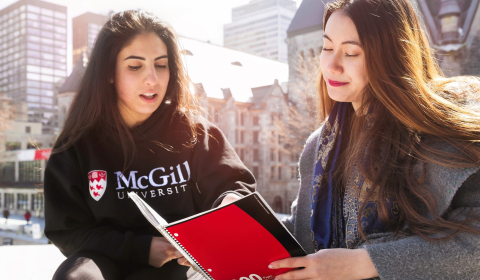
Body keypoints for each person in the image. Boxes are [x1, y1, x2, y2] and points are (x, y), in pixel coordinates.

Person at [267, 0, 480, 279]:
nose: (331, 66)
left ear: (392, 55)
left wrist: (365, 262)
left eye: (351, 53)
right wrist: (235, 235)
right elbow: (303, 232)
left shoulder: (444, 139)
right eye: (327, 47)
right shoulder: (318, 148)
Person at [44, 10, 255, 280]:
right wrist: (141, 248)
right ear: (109, 72)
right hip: (107, 262)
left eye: (161, 64)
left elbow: (235, 185)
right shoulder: (76, 146)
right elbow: (67, 230)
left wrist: (231, 201)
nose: (152, 79)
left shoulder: (195, 132)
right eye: (135, 66)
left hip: (185, 265)